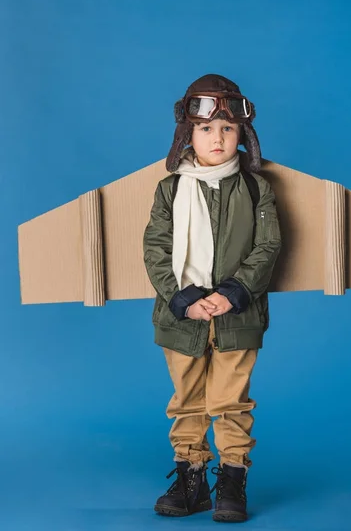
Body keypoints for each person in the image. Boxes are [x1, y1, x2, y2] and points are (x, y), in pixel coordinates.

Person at [143, 73, 282, 522]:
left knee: (230, 400)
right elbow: (156, 248)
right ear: (189, 133)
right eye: (206, 129)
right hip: (181, 316)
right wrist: (184, 298)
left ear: (242, 135)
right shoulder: (170, 189)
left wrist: (232, 293)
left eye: (228, 129)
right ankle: (191, 480)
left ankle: (232, 479)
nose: (217, 138)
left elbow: (268, 246)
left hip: (238, 315)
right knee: (186, 399)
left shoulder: (256, 188)